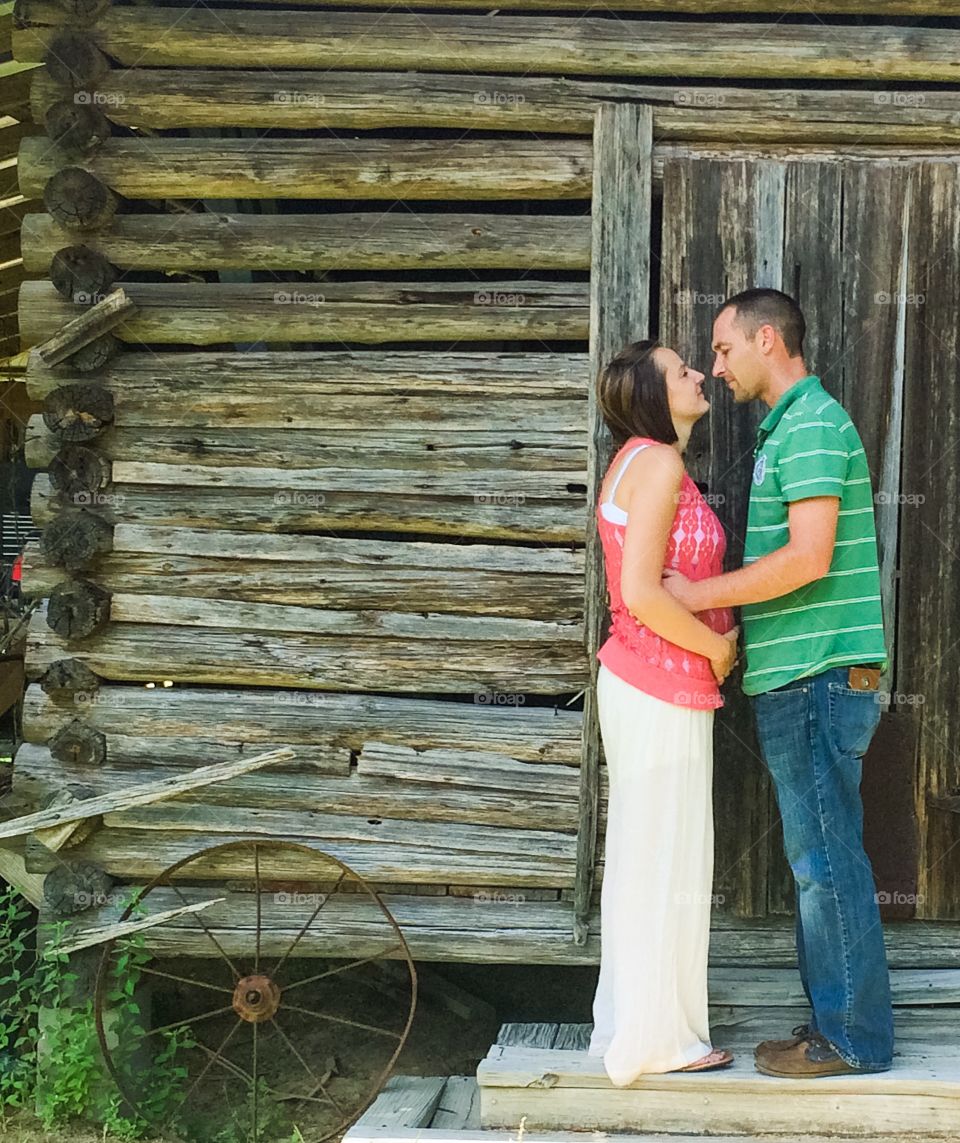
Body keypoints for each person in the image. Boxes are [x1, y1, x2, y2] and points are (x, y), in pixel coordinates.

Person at [663, 288, 894, 1079]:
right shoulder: (789, 429)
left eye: (725, 349)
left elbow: (809, 558)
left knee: (826, 860)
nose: (717, 366)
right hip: (803, 678)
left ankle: (854, 1038)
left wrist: (696, 595)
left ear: (768, 338)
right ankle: (833, 1023)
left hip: (819, 677)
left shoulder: (813, 426)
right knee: (818, 857)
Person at [586, 339, 739, 1086]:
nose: (700, 374)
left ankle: (634, 1021)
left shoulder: (632, 462)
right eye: (682, 370)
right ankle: (657, 1040)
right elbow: (643, 593)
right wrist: (715, 652)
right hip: (663, 680)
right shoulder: (660, 463)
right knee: (668, 855)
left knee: (649, 852)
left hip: (642, 682)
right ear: (653, 393)